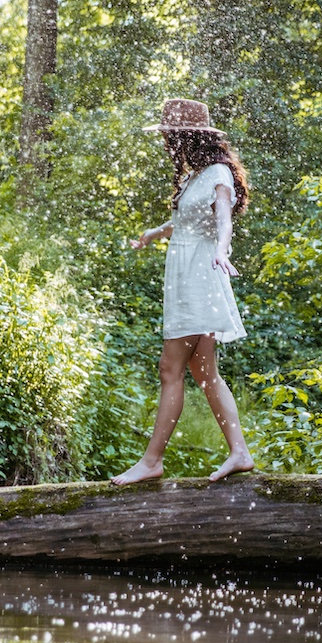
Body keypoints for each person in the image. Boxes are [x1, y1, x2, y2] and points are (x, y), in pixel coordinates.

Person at [112, 98, 255, 485]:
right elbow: (188, 224)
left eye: (170, 136)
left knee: (169, 368)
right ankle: (239, 452)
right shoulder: (195, 176)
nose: (166, 143)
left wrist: (224, 251)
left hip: (200, 278)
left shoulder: (219, 174)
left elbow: (223, 219)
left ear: (187, 136)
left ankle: (152, 461)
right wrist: (155, 233)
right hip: (187, 277)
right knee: (205, 373)